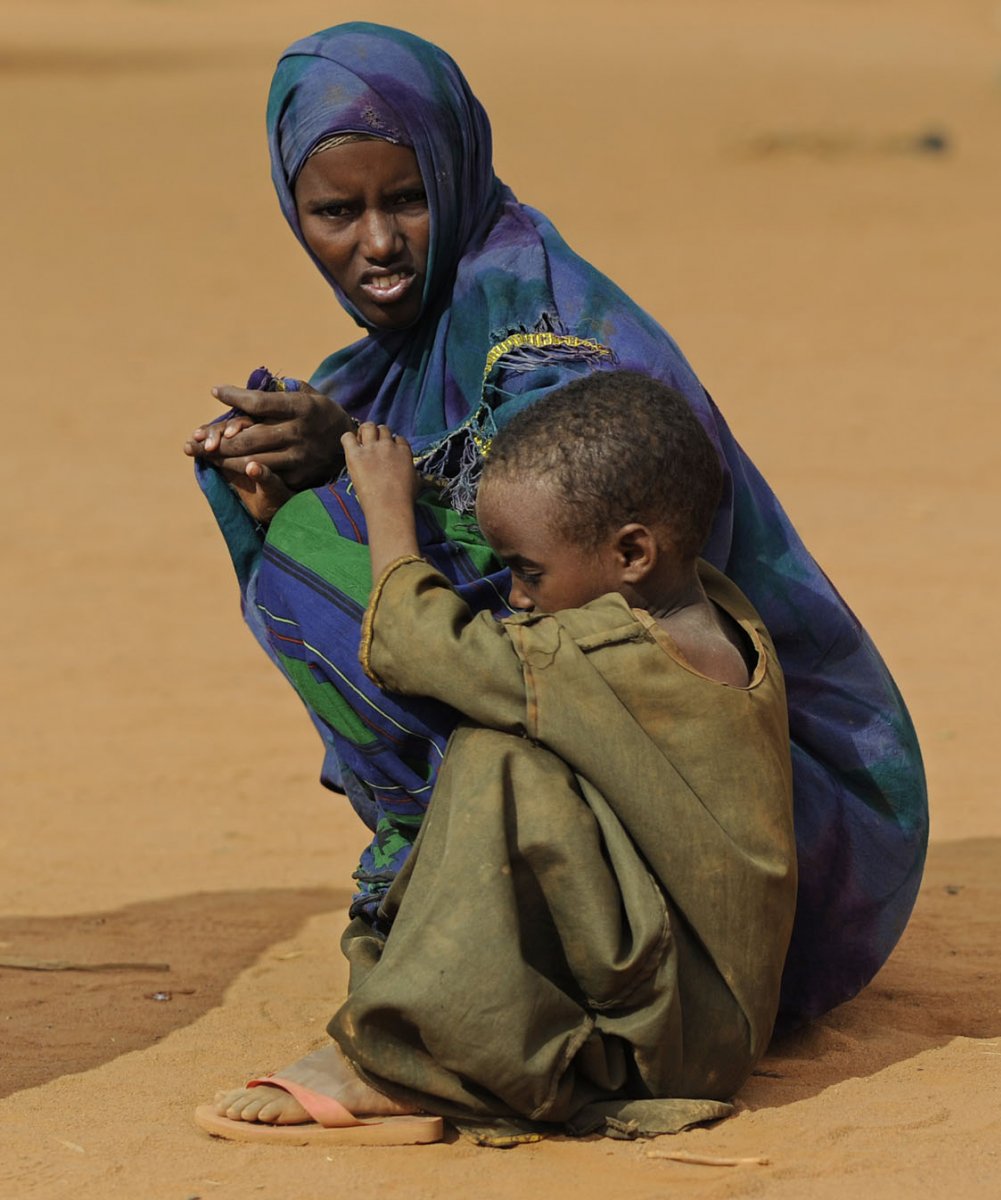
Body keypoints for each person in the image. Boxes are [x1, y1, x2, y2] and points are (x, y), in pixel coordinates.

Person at [184, 22, 925, 1025]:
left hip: (763, 815)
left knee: (335, 553)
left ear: (453, 167)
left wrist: (366, 493)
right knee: (303, 535)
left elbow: (596, 574)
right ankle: (457, 871)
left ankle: (521, 920)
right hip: (608, 741)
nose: (378, 244)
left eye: (405, 198)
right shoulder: (382, 367)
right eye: (334, 211)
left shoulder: (541, 322)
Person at [197, 372, 796, 1144]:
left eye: (529, 571)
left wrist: (385, 509)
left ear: (633, 553)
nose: (514, 595)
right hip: (704, 1023)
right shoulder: (716, 613)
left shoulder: (600, 655)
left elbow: (415, 646)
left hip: (660, 1042)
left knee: (495, 760)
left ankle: (398, 1064)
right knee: (528, 761)